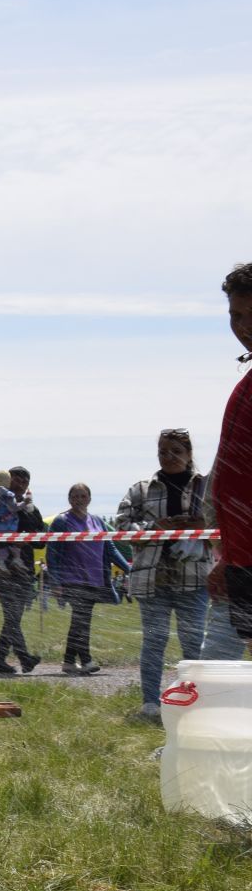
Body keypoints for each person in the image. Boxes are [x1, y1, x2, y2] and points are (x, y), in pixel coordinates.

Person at [115, 430, 211, 721]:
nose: (168, 457)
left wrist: (200, 524)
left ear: (188, 453)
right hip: (152, 577)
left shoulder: (206, 486)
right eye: (162, 451)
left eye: (175, 451)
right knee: (154, 641)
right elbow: (122, 524)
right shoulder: (141, 489)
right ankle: (150, 705)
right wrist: (153, 527)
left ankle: (195, 702)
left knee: (193, 642)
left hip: (194, 577)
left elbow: (223, 520)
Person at [208, 263, 252, 640]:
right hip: (244, 559)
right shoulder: (248, 385)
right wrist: (229, 556)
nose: (244, 326)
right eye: (236, 315)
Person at [46, 483, 129, 675]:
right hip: (72, 579)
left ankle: (68, 661)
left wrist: (129, 568)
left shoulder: (97, 522)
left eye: (83, 496)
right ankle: (86, 660)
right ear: (69, 499)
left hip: (94, 579)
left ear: (89, 499)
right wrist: (55, 582)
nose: (79, 500)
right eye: (75, 496)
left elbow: (111, 549)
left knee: (81, 620)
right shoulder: (61, 521)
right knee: (81, 619)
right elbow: (52, 554)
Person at [0, 466, 44, 674]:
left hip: (24, 568)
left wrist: (25, 541)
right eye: (16, 479)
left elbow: (41, 541)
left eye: (24, 481)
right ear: (7, 481)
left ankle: (1, 660)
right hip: (2, 567)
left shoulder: (31, 509)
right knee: (12, 615)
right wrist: (5, 541)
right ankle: (24, 658)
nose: (20, 484)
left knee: (14, 616)